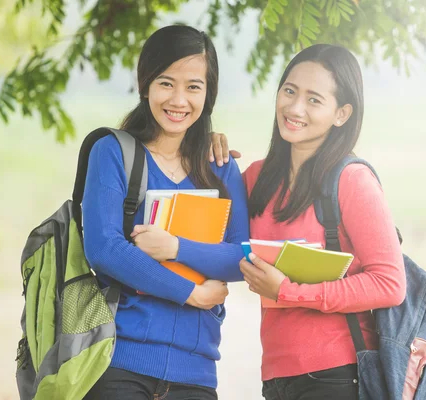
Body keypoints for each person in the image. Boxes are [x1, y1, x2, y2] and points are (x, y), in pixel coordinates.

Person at [213, 44, 407, 400]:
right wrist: (209, 154)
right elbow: (216, 244)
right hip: (276, 377)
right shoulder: (256, 178)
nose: (295, 108)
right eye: (289, 91)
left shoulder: (351, 180)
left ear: (342, 113)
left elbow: (389, 283)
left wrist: (288, 292)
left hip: (339, 374)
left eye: (314, 99)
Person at [82, 25, 249, 400]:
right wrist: (190, 292)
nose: (179, 99)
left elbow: (242, 258)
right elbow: (104, 248)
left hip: (197, 375)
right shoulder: (113, 152)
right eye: (165, 82)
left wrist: (176, 248)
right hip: (117, 366)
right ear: (145, 85)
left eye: (193, 86)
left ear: (209, 94)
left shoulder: (220, 167)